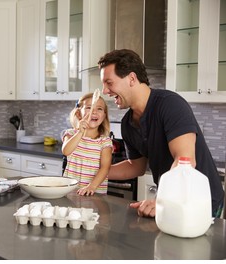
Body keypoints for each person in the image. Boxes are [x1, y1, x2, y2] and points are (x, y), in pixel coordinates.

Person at [97, 49, 225, 218]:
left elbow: (185, 161)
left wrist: (162, 200)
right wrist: (94, 169)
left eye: (109, 83)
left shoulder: (170, 104)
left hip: (201, 201)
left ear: (132, 79)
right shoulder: (127, 123)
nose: (105, 91)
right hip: (170, 202)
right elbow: (135, 167)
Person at [62, 92, 113, 196]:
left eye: (99, 109)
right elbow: (66, 151)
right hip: (70, 191)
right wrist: (80, 132)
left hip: (93, 193)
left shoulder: (104, 141)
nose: (94, 112)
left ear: (104, 116)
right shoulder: (71, 134)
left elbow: (105, 167)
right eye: (89, 107)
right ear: (78, 113)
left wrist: (92, 186)